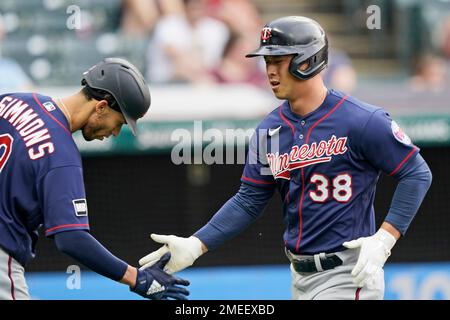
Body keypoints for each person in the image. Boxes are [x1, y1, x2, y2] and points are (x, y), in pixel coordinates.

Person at [138, 17, 433, 300]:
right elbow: (249, 199)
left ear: (308, 60)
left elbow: (417, 173)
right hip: (299, 276)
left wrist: (385, 238)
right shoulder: (269, 130)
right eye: (267, 61)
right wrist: (196, 243)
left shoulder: (361, 120)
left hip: (347, 274)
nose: (270, 71)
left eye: (278, 61)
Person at [0, 57, 189, 300]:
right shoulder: (61, 155)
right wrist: (136, 277)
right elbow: (71, 238)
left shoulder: (14, 100)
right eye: (119, 122)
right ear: (101, 106)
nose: (115, 132)